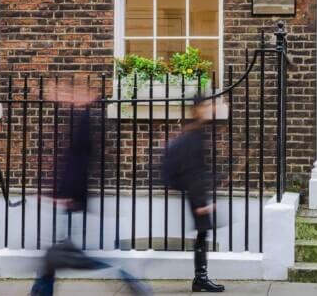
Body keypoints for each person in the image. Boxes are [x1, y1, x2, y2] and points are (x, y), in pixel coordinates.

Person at [31, 79, 152, 296]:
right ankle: (40, 291)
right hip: (73, 199)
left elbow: (78, 162)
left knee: (74, 257)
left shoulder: (85, 122)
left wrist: (64, 195)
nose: (68, 97)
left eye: (73, 94)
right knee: (54, 256)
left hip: (74, 201)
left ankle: (128, 278)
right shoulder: (80, 120)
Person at [163, 96, 225, 293]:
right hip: (196, 193)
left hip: (198, 192)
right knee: (202, 232)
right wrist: (200, 202)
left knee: (203, 232)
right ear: (197, 109)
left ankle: (201, 277)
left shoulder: (196, 132)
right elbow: (192, 170)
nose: (210, 109)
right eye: (207, 106)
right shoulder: (194, 135)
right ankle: (201, 278)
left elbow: (199, 168)